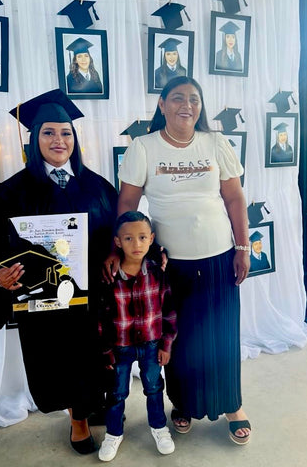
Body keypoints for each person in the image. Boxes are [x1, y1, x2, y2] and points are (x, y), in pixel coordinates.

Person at [105, 76, 252, 445]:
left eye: (194, 99)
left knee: (221, 333)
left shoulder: (216, 142)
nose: (186, 105)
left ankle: (232, 405)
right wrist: (119, 249)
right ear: (162, 104)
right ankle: (182, 404)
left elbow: (235, 198)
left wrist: (242, 247)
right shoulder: (143, 147)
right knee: (179, 338)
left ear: (200, 107)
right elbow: (127, 204)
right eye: (177, 98)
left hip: (219, 255)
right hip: (170, 265)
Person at [0, 89, 118, 455]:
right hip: (46, 303)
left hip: (92, 296)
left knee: (98, 355)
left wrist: (116, 256)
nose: (59, 140)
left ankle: (93, 404)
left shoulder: (96, 185)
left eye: (66, 132)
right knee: (61, 361)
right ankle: (78, 419)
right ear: (34, 138)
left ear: (76, 138)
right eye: (49, 132)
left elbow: (118, 232)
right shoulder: (10, 193)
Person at [97, 211, 177, 461]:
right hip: (120, 347)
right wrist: (105, 350)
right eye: (129, 239)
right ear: (118, 242)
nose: (137, 244)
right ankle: (113, 433)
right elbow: (101, 317)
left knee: (154, 388)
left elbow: (169, 310)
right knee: (117, 392)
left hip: (152, 345)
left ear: (151, 238)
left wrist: (167, 344)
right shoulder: (110, 278)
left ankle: (158, 427)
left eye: (142, 237)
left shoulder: (157, 272)